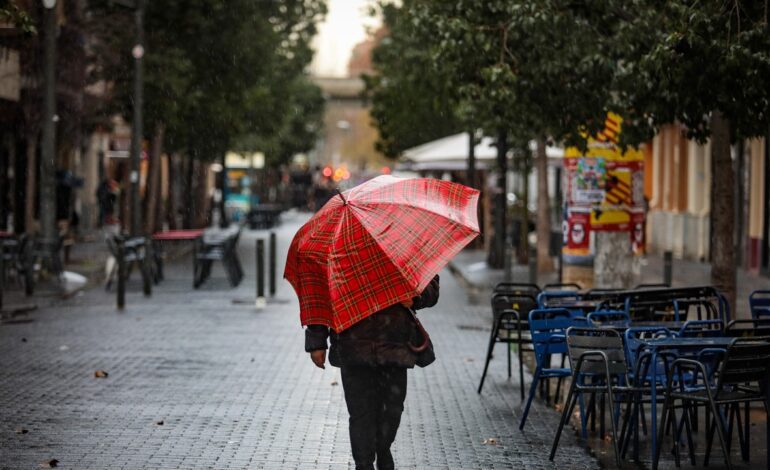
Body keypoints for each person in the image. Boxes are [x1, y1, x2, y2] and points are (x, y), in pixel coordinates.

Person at [305, 275, 440, 470]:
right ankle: (364, 464)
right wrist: (316, 340)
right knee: (361, 413)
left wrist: (416, 298)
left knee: (392, 410)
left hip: (394, 345)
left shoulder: (400, 255)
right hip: (352, 344)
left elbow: (431, 283)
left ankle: (383, 449)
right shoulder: (335, 258)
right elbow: (319, 293)